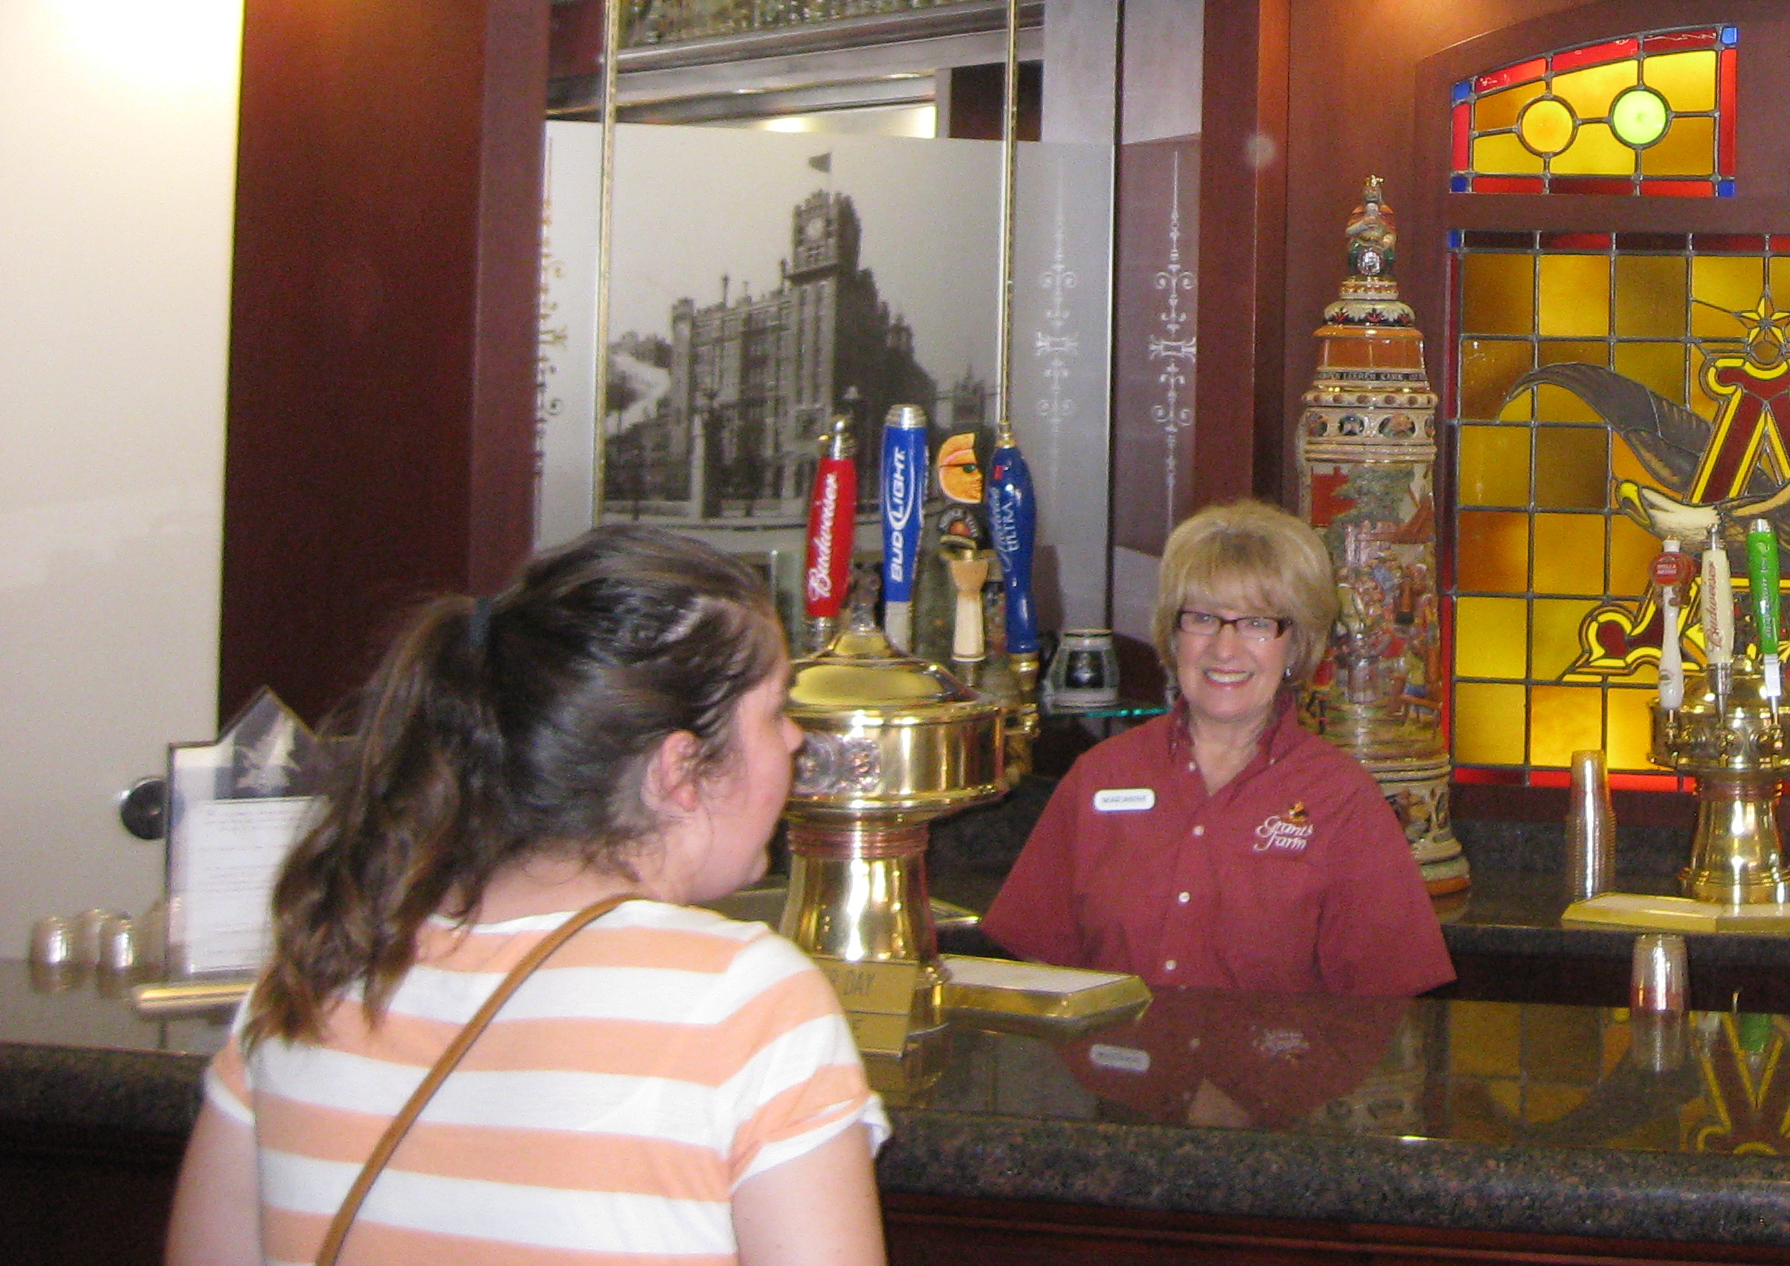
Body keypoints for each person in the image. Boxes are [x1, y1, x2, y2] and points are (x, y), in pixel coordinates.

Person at [165, 528, 885, 1266]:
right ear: (681, 770)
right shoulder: (750, 1002)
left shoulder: (320, 967)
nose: (795, 740)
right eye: (774, 711)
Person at [983, 499, 1451, 998]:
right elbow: (1038, 970)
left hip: (1275, 1054)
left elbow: (1386, 1004)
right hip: (1116, 1051)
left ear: (1295, 644)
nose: (1224, 649)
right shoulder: (1101, 776)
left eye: (1257, 623)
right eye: (1203, 618)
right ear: (1173, 633)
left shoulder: (1342, 797)